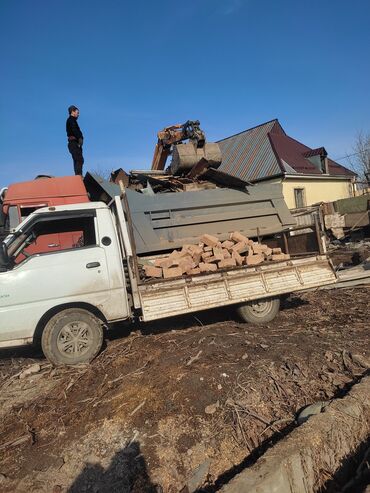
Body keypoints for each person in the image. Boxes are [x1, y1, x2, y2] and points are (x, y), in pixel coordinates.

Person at [66, 105, 84, 175]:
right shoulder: (71, 120)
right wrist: (79, 137)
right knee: (79, 159)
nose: (78, 114)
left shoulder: (72, 120)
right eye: (77, 112)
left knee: (78, 160)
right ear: (72, 112)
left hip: (75, 143)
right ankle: (79, 176)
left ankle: (78, 175)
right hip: (73, 142)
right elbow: (74, 129)